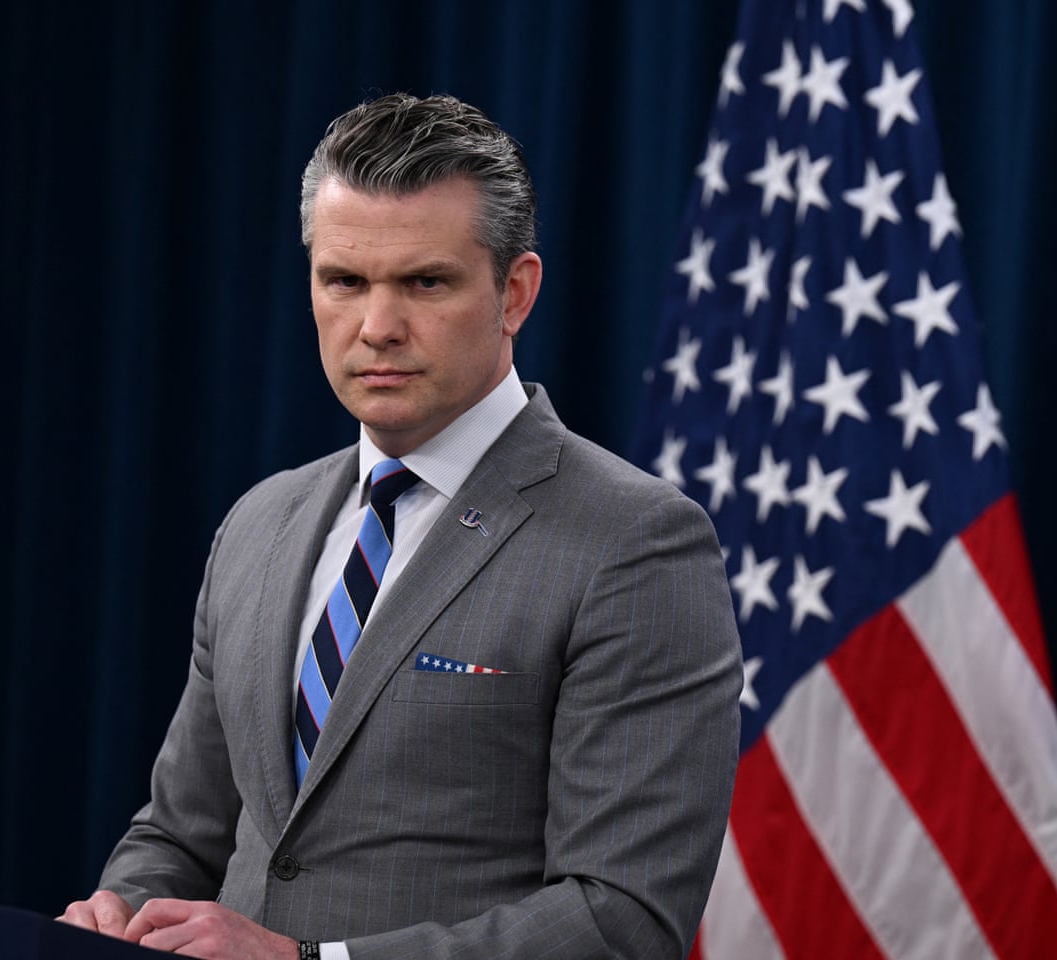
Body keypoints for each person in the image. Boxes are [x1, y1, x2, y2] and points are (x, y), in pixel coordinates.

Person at [59, 93, 743, 960]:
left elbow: (621, 918)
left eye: (426, 282)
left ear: (515, 293)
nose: (377, 327)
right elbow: (182, 835)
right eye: (345, 281)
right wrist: (116, 917)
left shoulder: (637, 543)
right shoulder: (258, 524)